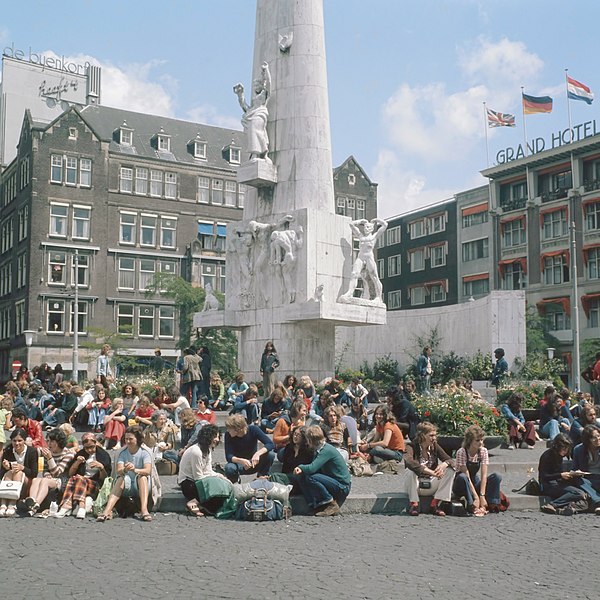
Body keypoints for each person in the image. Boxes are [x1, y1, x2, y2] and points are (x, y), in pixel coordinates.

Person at [97, 426, 153, 522]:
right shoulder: (122, 452)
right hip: (125, 484)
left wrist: (135, 470)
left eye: (130, 439)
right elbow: (118, 470)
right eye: (126, 439)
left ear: (137, 439)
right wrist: (125, 469)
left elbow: (147, 471)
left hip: (141, 484)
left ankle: (144, 510)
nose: (128, 441)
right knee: (120, 478)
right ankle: (107, 511)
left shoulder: (145, 452)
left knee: (142, 477)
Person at [293, 425, 352, 517]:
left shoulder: (326, 450)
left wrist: (300, 467)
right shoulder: (318, 449)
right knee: (302, 476)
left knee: (312, 478)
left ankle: (331, 503)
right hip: (333, 481)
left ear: (310, 440)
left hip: (342, 486)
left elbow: (312, 468)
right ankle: (314, 505)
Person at [539, 433, 600, 515]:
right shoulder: (547, 456)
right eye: (564, 448)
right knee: (578, 493)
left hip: (558, 482)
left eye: (567, 449)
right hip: (547, 484)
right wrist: (561, 475)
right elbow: (544, 476)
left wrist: (571, 475)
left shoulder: (559, 456)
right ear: (557, 446)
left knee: (584, 495)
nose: (565, 451)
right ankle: (551, 505)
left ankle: (568, 508)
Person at [403, 422, 455, 516]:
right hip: (416, 485)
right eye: (431, 435)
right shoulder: (411, 446)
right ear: (422, 435)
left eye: (435, 435)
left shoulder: (434, 446)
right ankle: (414, 504)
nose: (434, 438)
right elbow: (409, 462)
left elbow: (450, 460)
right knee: (410, 471)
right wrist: (430, 472)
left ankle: (435, 503)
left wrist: (444, 464)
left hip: (431, 483)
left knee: (450, 471)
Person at [55, 432, 112, 519]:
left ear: (95, 443)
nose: (89, 450)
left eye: (92, 447)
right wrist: (77, 463)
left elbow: (105, 478)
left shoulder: (103, 455)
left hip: (95, 484)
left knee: (77, 478)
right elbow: (70, 473)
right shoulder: (81, 454)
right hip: (80, 482)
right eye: (86, 448)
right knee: (75, 478)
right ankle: (76, 506)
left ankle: (67, 506)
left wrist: (101, 468)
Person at [22, 428, 75, 517]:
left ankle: (36, 504)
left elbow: (57, 473)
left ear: (59, 442)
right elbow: (45, 470)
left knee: (44, 481)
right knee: (36, 480)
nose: (49, 444)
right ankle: (32, 501)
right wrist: (47, 475)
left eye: (51, 441)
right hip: (50, 479)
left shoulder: (68, 454)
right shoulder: (47, 452)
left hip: (62, 481)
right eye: (48, 441)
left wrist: (50, 458)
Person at [178, 424, 228, 517]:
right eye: (214, 436)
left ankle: (199, 505)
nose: (217, 439)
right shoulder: (196, 451)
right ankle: (193, 502)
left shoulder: (207, 450)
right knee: (217, 492)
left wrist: (220, 477)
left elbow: (208, 471)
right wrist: (216, 481)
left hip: (200, 482)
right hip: (189, 484)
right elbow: (198, 477)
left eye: (218, 437)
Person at [452, 425, 503, 516]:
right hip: (462, 482)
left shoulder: (483, 451)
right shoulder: (462, 452)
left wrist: (482, 495)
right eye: (477, 440)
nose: (480, 442)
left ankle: (491, 504)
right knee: (463, 477)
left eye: (482, 440)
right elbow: (466, 474)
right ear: (470, 441)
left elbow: (483, 475)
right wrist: (476, 497)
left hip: (474, 481)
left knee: (496, 476)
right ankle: (472, 505)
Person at [340, 218, 388, 302]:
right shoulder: (360, 236)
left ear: (372, 228)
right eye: (365, 227)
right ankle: (350, 292)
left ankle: (378, 297)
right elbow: (351, 224)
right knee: (354, 274)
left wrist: (377, 220)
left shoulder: (374, 236)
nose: (366, 229)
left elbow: (385, 225)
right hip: (361, 256)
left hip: (369, 257)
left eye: (369, 227)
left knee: (374, 276)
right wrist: (361, 221)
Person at [233, 61, 271, 160]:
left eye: (257, 85)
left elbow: (269, 83)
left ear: (261, 85)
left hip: (260, 114)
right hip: (253, 115)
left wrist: (265, 70)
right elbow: (246, 108)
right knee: (254, 132)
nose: (255, 87)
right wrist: (240, 95)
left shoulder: (264, 94)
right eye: (254, 86)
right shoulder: (255, 99)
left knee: (257, 131)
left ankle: (258, 153)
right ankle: (257, 153)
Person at [223, 414, 275, 483]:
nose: (227, 430)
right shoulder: (228, 435)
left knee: (270, 454)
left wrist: (258, 454)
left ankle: (262, 477)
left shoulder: (253, 429)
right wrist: (241, 461)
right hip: (239, 464)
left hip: (254, 462)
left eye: (229, 428)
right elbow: (229, 456)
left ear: (237, 429)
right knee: (229, 467)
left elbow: (270, 444)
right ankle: (235, 481)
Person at [0, 428, 39, 517]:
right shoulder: (8, 451)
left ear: (24, 441)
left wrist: (23, 468)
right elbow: (1, 474)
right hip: (10, 478)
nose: (17, 443)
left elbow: (34, 473)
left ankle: (12, 503)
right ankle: (3, 504)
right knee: (10, 472)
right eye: (14, 441)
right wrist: (6, 467)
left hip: (27, 481)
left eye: (20, 441)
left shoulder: (32, 451)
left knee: (18, 472)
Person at [572, 425, 600, 496]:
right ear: (587, 439)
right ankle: (597, 500)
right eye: (594, 437)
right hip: (587, 478)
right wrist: (576, 472)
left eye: (599, 436)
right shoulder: (578, 449)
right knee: (577, 480)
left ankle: (595, 498)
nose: (597, 439)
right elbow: (574, 468)